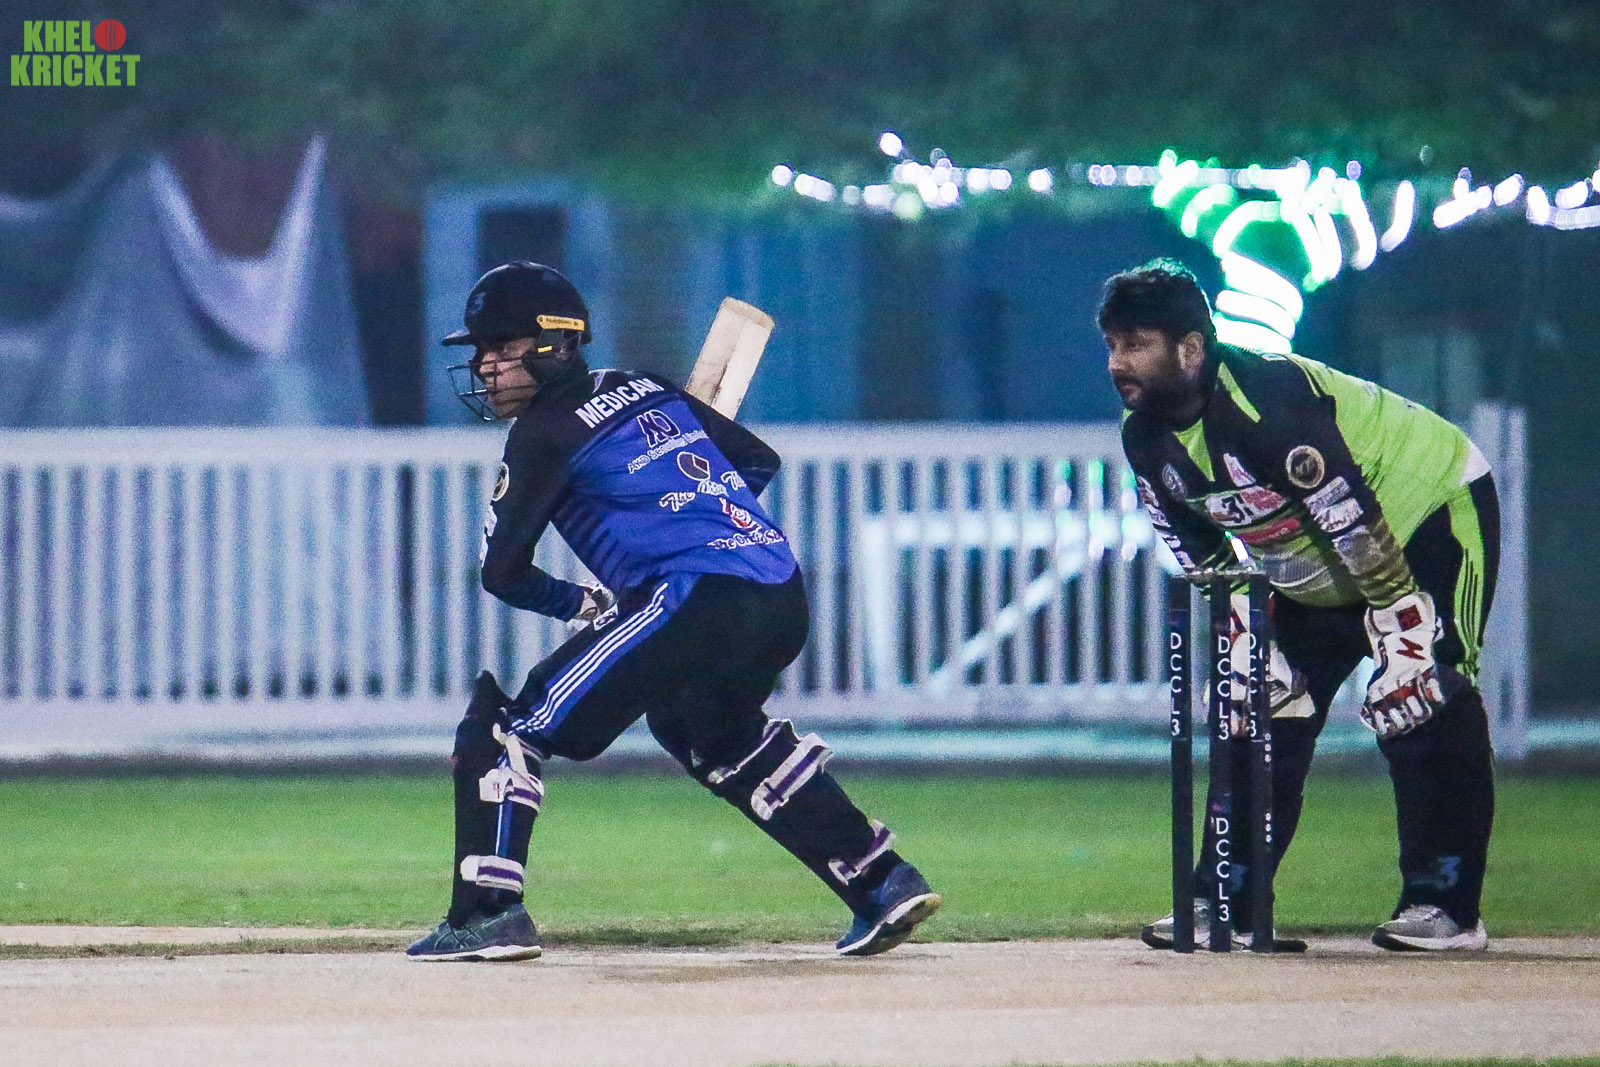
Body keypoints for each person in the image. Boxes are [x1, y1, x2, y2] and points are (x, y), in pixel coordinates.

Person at [406, 261, 940, 961]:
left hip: (690, 593)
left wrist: (584, 601)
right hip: (778, 588)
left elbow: (501, 572)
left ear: (556, 342)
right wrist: (683, 505)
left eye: (501, 346)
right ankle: (880, 879)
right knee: (707, 731)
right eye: (482, 350)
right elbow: (756, 462)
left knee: (507, 726)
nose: (484, 365)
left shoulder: (543, 431)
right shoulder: (648, 388)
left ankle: (486, 915)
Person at [1100, 260, 1498, 952]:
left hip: (1423, 514)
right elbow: (1203, 554)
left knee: (1421, 694)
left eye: (1135, 345)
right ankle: (1228, 900)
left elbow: (1351, 518)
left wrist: (1400, 625)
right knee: (1258, 703)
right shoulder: (1144, 438)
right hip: (1310, 557)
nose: (1117, 363)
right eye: (1111, 345)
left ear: (1191, 348)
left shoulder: (1268, 401)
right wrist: (1246, 636)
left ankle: (1445, 906)